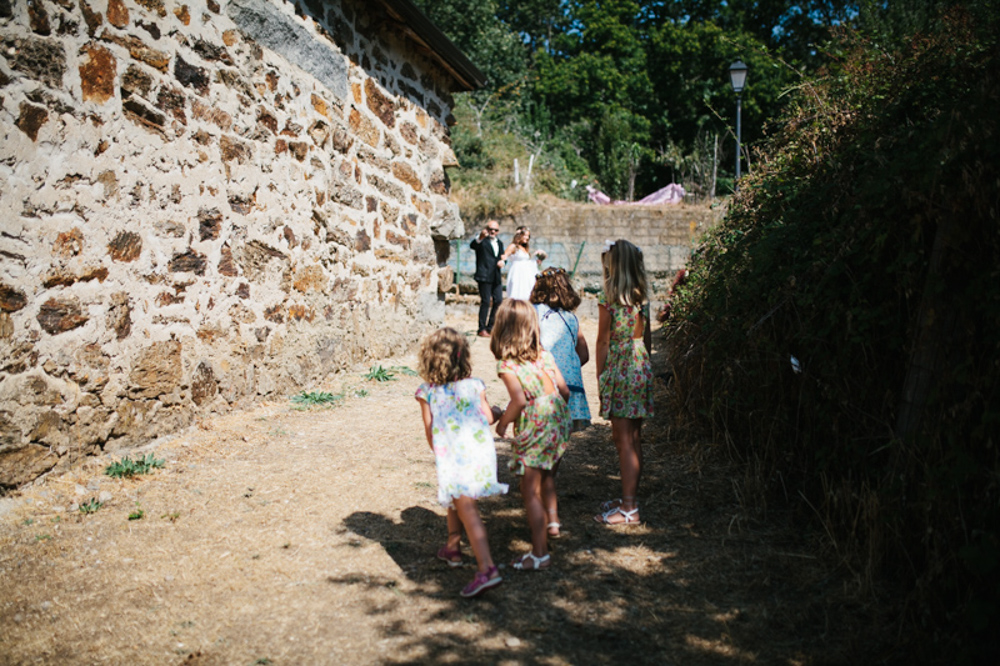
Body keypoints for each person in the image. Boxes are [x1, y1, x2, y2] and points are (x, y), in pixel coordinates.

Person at [415, 327, 508, 597]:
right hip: (480, 453)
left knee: (467, 508)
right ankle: (453, 547)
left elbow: (431, 431)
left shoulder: (427, 392)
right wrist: (498, 412)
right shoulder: (474, 385)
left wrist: (441, 451)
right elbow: (488, 417)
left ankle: (487, 568)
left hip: (455, 455)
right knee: (459, 499)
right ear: (462, 357)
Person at [491, 300, 571, 569]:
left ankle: (539, 554)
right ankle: (553, 523)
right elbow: (564, 389)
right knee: (548, 475)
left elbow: (518, 401)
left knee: (530, 490)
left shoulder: (508, 366)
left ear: (502, 330)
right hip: (558, 418)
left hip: (537, 424)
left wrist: (503, 424)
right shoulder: (545, 355)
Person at [593, 239, 653, 526]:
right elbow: (647, 338)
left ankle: (629, 509)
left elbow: (603, 341)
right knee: (634, 438)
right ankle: (630, 498)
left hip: (620, 368)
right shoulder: (642, 299)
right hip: (639, 365)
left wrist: (601, 375)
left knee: (623, 441)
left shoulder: (609, 302)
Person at [530, 267, 591, 436]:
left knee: (538, 437)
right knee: (558, 441)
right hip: (570, 386)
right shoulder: (571, 318)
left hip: (542, 384)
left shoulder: (534, 313)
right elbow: (584, 355)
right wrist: (567, 366)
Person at [470, 220, 504, 337]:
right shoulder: (481, 240)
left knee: (499, 300)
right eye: (490, 229)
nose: (493, 232)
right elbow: (473, 245)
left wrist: (503, 261)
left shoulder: (500, 243)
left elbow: (502, 256)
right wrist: (480, 236)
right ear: (486, 229)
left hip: (496, 276)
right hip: (484, 275)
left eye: (495, 230)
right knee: (485, 301)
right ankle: (481, 328)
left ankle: (491, 327)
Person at [502, 228, 538, 301]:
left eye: (528, 236)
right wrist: (502, 261)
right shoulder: (513, 246)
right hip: (517, 272)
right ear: (519, 235)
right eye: (525, 235)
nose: (527, 238)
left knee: (527, 291)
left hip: (526, 273)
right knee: (517, 291)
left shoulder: (525, 248)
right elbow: (504, 256)